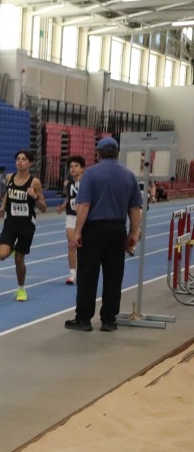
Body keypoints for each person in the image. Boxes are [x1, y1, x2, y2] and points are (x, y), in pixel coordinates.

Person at [65, 137, 143, 332]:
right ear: (117, 153)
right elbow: (135, 208)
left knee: (87, 274)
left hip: (94, 229)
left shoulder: (91, 174)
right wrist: (134, 233)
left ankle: (84, 319)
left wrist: (77, 231)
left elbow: (84, 205)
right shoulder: (129, 175)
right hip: (117, 229)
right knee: (114, 275)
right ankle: (109, 319)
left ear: (98, 153)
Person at [0, 150, 47, 301]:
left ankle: (21, 290)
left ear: (30, 163)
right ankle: (12, 249)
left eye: (24, 159)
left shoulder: (34, 182)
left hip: (26, 226)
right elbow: (8, 193)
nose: (20, 161)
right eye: (18, 159)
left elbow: (44, 208)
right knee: (1, 255)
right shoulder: (9, 177)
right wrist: (2, 207)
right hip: (10, 223)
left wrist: (35, 196)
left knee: (19, 259)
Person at [55, 155, 84, 285]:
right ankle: (72, 274)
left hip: (85, 217)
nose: (73, 168)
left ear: (82, 168)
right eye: (71, 166)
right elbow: (69, 198)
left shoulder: (87, 182)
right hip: (71, 216)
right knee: (72, 244)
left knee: (83, 246)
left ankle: (84, 271)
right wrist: (62, 207)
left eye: (76, 166)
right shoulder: (68, 184)